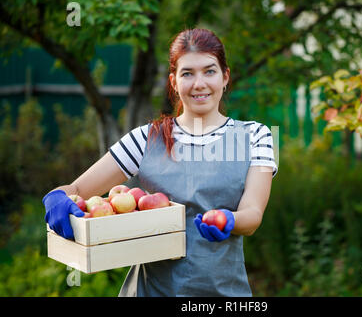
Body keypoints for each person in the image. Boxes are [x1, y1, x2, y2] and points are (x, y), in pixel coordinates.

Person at [42, 28, 278, 296]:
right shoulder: (146, 139)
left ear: (225, 77)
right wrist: (56, 198)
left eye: (209, 71)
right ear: (174, 82)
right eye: (187, 73)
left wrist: (229, 220)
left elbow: (253, 215)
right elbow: (75, 191)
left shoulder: (256, 136)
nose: (199, 83)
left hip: (221, 293)